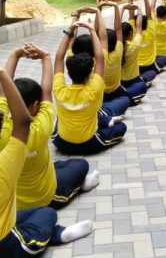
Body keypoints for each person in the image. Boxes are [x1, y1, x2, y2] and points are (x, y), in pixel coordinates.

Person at [0, 67, 93, 258]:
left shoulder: (5, 144)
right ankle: (57, 234)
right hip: (5, 250)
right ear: (34, 107)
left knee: (30, 209)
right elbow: (23, 121)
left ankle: (59, 230)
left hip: (18, 204)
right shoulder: (6, 161)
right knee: (48, 213)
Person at [1, 44, 99, 210]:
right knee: (80, 165)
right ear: (34, 106)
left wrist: (14, 55)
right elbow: (47, 89)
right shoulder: (41, 126)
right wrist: (45, 57)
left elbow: (3, 90)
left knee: (59, 165)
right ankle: (77, 188)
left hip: (10, 201)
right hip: (43, 199)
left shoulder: (2, 127)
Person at [53, 21, 127, 155]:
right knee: (121, 127)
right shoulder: (95, 89)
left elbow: (58, 58)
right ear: (89, 74)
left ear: (68, 72)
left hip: (61, 143)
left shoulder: (59, 91)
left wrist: (70, 31)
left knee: (60, 117)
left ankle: (105, 119)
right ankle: (106, 120)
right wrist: (92, 30)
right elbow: (100, 58)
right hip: (89, 143)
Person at [98, 3, 131, 116]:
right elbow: (118, 29)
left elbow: (97, 32)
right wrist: (116, 7)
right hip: (115, 93)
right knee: (127, 99)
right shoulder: (119, 50)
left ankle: (104, 110)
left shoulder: (99, 57)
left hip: (100, 95)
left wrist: (98, 10)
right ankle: (107, 111)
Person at [121, 5, 154, 104]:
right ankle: (127, 96)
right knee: (150, 75)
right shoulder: (134, 45)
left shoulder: (115, 47)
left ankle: (123, 95)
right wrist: (139, 9)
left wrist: (122, 9)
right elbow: (139, 27)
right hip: (132, 80)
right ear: (131, 33)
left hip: (118, 83)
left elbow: (117, 28)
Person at [131, 0, 166, 75]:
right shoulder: (151, 30)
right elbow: (149, 13)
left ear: (135, 24)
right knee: (165, 59)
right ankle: (150, 73)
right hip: (149, 65)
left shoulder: (133, 32)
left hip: (135, 66)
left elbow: (131, 15)